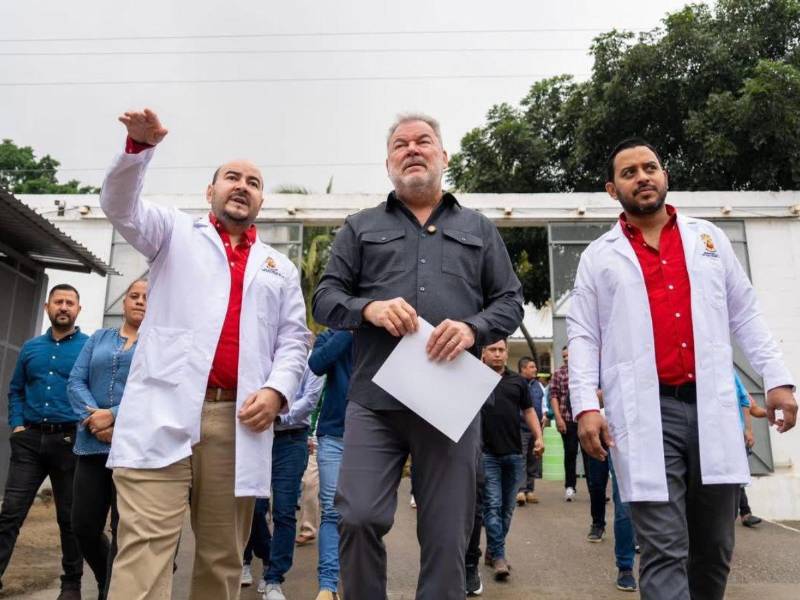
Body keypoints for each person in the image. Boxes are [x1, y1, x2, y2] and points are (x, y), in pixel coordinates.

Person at [568, 137, 797, 600]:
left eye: (649, 167)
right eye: (629, 173)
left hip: (712, 409)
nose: (643, 177)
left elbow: (745, 314)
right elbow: (583, 337)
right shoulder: (598, 257)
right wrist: (585, 405)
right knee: (663, 547)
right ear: (613, 190)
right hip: (648, 414)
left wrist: (778, 380)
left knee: (714, 546)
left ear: (665, 176)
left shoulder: (707, 239)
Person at [100, 108, 309, 599]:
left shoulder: (279, 267)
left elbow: (294, 340)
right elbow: (120, 207)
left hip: (236, 421)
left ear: (261, 198)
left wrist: (278, 391)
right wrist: (137, 149)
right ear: (209, 193)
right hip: (162, 411)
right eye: (231, 177)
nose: (242, 185)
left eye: (253, 181)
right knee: (145, 550)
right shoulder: (171, 234)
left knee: (221, 559)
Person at [312, 113, 523, 600]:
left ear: (443, 157)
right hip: (374, 401)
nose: (412, 149)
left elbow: (509, 300)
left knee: (448, 536)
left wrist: (474, 329)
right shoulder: (360, 227)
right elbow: (325, 298)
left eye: (423, 141)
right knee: (358, 516)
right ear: (388, 163)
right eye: (400, 144)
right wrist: (370, 307)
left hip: (451, 403)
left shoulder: (479, 228)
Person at [1, 284, 87, 600]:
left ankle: (71, 585)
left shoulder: (88, 348)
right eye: (58, 302)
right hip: (30, 441)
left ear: (78, 309)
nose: (63, 307)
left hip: (69, 441)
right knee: (10, 513)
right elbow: (15, 390)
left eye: (69, 302)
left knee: (69, 517)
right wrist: (18, 425)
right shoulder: (30, 348)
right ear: (47, 307)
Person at [67, 278, 147, 600]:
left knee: (123, 532)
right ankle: (108, 581)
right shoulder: (99, 337)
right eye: (134, 296)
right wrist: (95, 420)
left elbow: (151, 391)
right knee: (83, 526)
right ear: (124, 302)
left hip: (132, 449)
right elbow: (75, 380)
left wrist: (114, 414)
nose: (140, 301)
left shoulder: (156, 344)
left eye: (147, 297)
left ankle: (111, 594)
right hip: (91, 445)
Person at [256, 364, 324, 600]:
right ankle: (264, 556)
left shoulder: (309, 363)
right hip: (257, 437)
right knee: (254, 508)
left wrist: (276, 415)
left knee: (284, 510)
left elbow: (310, 399)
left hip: (292, 439)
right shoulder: (261, 353)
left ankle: (274, 578)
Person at [478, 340, 543, 581]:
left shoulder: (518, 382)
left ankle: (493, 550)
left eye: (501, 350)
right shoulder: (474, 379)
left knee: (507, 510)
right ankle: (499, 557)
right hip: (487, 455)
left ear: (506, 354)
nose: (497, 354)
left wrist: (538, 437)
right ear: (483, 353)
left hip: (514, 455)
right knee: (492, 506)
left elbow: (528, 411)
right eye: (492, 350)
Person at [307, 329, 354, 600]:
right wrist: (349, 330)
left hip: (373, 439)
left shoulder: (383, 333)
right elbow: (317, 364)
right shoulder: (331, 336)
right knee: (332, 512)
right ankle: (328, 585)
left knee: (366, 515)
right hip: (333, 436)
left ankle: (362, 579)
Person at [549, 346, 588, 501]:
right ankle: (570, 487)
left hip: (585, 419)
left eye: (568, 355)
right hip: (567, 419)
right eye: (564, 355)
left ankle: (595, 488)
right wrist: (558, 419)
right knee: (570, 453)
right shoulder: (559, 374)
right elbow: (553, 396)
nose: (566, 358)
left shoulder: (585, 372)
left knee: (589, 455)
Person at [733, 371, 762, 528]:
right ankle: (744, 513)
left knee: (737, 477)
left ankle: (745, 513)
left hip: (735, 434)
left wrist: (748, 430)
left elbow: (749, 404)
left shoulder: (732, 374)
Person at [516, 356, 545, 505]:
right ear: (523, 369)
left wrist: (545, 416)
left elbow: (544, 402)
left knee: (533, 459)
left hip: (536, 429)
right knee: (521, 459)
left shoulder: (538, 385)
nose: (535, 370)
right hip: (520, 428)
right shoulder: (517, 384)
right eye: (532, 367)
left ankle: (530, 490)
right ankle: (520, 491)